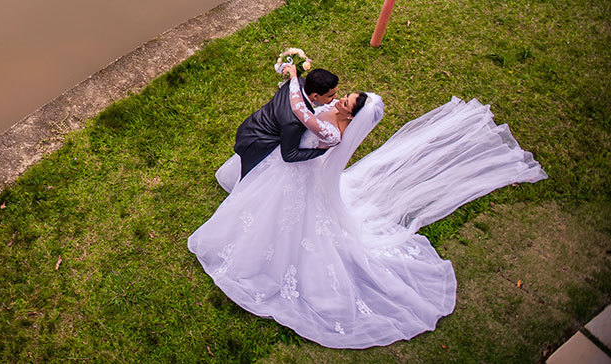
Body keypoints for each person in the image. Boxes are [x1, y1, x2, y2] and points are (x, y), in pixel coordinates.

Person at [188, 63, 547, 348]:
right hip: (289, 171)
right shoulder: (330, 110)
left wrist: (294, 78)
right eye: (343, 96)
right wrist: (298, 78)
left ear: (353, 117)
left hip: (297, 172)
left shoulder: (331, 133)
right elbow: (304, 106)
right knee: (267, 206)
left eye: (345, 102)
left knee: (288, 219)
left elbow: (300, 112)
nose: (338, 100)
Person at [233, 67, 340, 179]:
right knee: (253, 180)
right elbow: (289, 155)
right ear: (315, 96)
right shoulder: (294, 122)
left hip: (253, 122)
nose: (335, 97)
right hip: (258, 143)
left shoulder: (297, 82)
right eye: (331, 95)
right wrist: (321, 151)